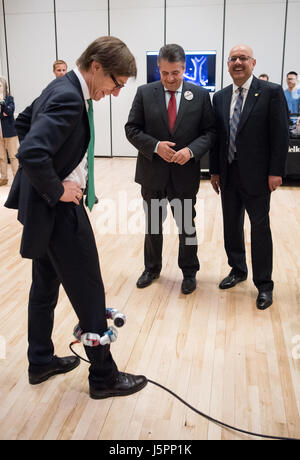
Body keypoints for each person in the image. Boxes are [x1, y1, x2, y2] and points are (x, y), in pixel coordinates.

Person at [5, 36, 147, 399]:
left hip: (40, 211)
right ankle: (103, 377)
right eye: (116, 84)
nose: (115, 93)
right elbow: (33, 151)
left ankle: (40, 361)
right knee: (88, 290)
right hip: (58, 211)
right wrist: (58, 187)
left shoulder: (62, 85)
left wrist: (54, 172)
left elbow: (23, 121)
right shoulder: (70, 96)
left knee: (45, 287)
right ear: (97, 67)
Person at [125, 44, 215, 295]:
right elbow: (131, 129)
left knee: (187, 225)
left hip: (184, 174)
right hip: (153, 174)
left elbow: (210, 132)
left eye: (175, 73)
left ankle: (189, 271)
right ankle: (151, 268)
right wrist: (154, 146)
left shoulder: (199, 95)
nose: (170, 79)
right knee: (153, 224)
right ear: (159, 70)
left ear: (184, 68)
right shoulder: (144, 93)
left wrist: (191, 151)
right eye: (165, 73)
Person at [210, 44, 289, 310]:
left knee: (259, 229)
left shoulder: (271, 92)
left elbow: (280, 135)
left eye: (243, 58)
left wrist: (276, 171)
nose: (238, 62)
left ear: (253, 63)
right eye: (233, 59)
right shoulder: (219, 97)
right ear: (228, 65)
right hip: (229, 175)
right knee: (231, 227)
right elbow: (217, 138)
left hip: (258, 177)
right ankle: (237, 269)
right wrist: (215, 171)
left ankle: (264, 285)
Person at [0, 76, 19, 186]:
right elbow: (4, 114)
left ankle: (17, 178)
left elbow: (9, 112)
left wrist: (2, 102)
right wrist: (3, 114)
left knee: (13, 156)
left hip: (10, 132)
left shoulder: (9, 98)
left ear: (4, 86)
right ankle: (3, 178)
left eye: (0, 85)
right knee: (1, 157)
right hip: (0, 133)